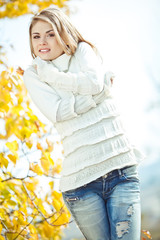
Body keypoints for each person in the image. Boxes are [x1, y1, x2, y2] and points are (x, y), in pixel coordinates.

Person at [23, 7, 144, 240]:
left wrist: (55, 78)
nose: (42, 42)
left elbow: (94, 84)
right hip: (81, 184)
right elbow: (58, 112)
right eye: (36, 36)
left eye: (50, 33)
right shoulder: (34, 74)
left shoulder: (82, 51)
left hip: (121, 170)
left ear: (63, 32)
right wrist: (97, 96)